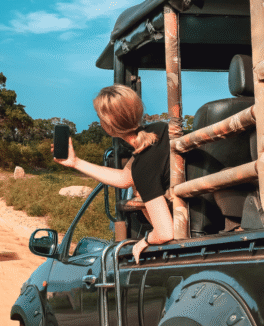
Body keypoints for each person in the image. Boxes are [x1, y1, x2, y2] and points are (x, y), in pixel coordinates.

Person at [53, 84, 174, 262]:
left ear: (108, 127)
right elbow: (125, 178)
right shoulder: (161, 129)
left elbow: (165, 232)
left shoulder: (143, 166)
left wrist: (145, 241)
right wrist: (75, 162)